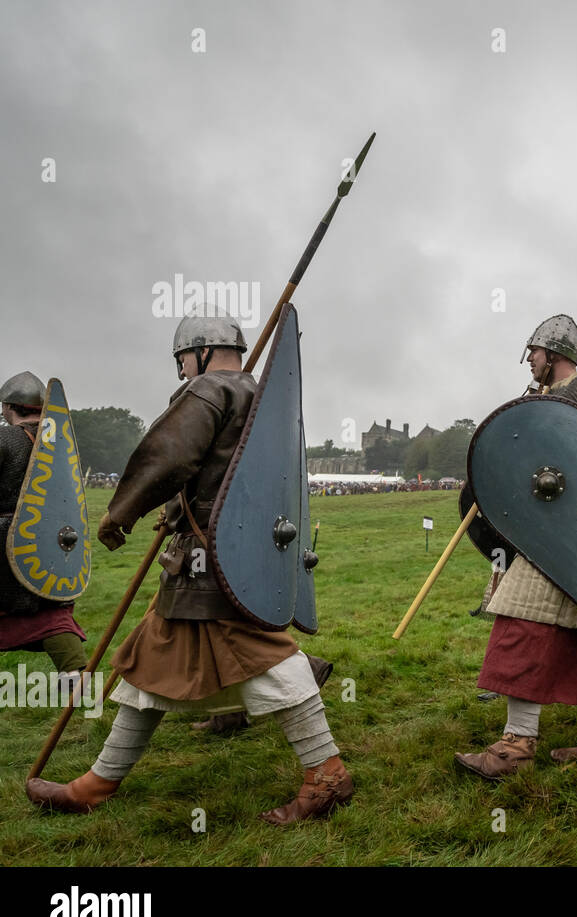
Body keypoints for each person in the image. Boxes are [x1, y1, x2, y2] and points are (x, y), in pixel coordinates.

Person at [27, 312, 351, 823]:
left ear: (200, 351)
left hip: (212, 559)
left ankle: (327, 772)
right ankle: (96, 784)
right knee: (149, 658)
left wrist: (121, 511)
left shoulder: (207, 392)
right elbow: (221, 476)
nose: (180, 371)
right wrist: (178, 509)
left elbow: (169, 456)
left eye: (182, 359)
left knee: (263, 654)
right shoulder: (263, 396)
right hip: (234, 552)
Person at [455, 314, 577, 779]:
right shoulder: (545, 399)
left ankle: (514, 747)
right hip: (561, 534)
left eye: (534, 353)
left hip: (570, 536)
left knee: (521, 622)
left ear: (553, 355)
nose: (530, 361)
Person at [0, 371, 89, 681]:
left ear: (8, 407)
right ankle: (75, 678)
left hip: (8, 543)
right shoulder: (59, 442)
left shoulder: (5, 438)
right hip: (55, 542)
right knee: (53, 615)